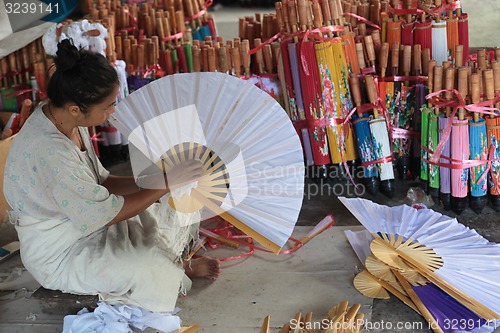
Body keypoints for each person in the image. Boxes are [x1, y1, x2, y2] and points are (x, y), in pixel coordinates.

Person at [3, 39, 220, 313]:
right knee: (147, 267)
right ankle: (175, 270)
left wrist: (159, 180)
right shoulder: (49, 151)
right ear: (75, 108)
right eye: (107, 106)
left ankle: (177, 266)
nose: (112, 112)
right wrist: (166, 182)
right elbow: (106, 214)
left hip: (85, 220)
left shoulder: (67, 120)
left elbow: (101, 181)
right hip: (61, 253)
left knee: (162, 212)